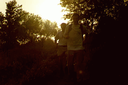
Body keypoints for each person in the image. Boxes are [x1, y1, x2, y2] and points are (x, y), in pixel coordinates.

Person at [63, 13, 91, 82]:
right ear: (72, 18)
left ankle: (79, 78)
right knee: (70, 64)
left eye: (76, 18)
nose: (75, 19)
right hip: (70, 48)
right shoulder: (68, 27)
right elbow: (64, 35)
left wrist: (85, 40)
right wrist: (66, 36)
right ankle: (71, 77)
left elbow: (87, 33)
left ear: (78, 19)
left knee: (79, 64)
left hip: (79, 48)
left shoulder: (81, 27)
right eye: (74, 18)